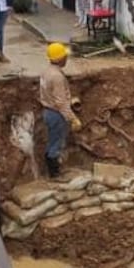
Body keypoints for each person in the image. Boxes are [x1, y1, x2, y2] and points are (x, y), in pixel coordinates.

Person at [40, 42, 81, 178]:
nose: (66, 58)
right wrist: (73, 118)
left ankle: (53, 170)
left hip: (48, 111)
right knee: (56, 143)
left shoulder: (46, 72)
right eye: (64, 56)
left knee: (52, 140)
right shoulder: (57, 77)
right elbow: (60, 103)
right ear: (59, 59)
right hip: (56, 114)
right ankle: (55, 174)